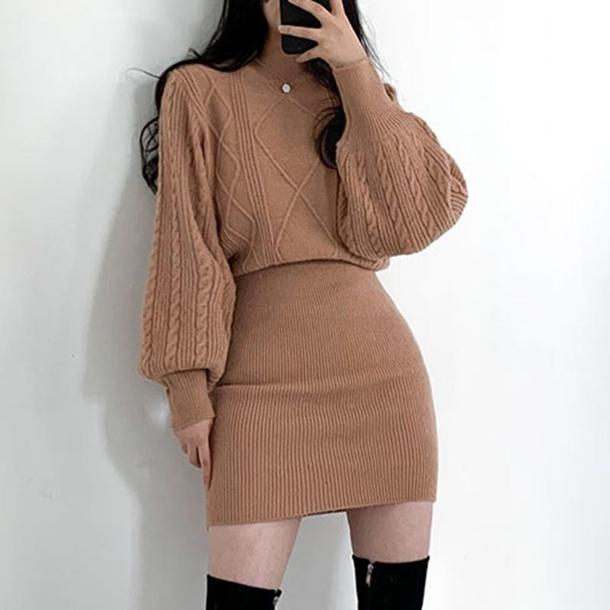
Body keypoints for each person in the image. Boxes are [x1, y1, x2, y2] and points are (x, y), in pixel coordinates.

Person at [136, 0, 468, 607]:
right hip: (256, 386)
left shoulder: (360, 96)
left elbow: (414, 220)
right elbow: (188, 244)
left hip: (382, 382)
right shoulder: (199, 91)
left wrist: (356, 72)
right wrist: (186, 387)